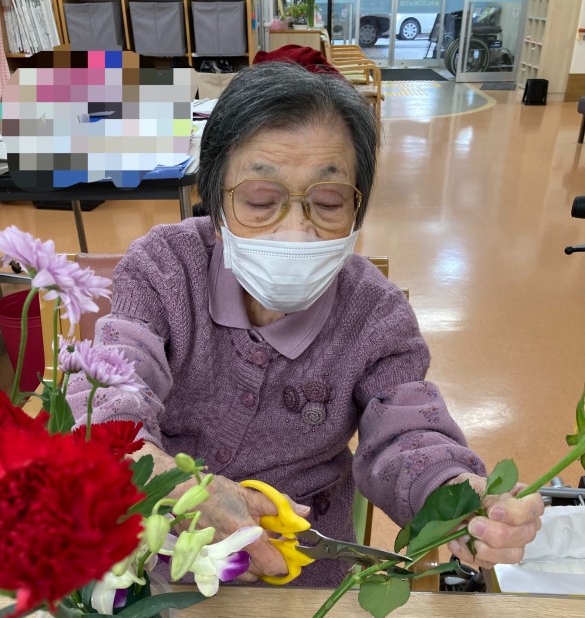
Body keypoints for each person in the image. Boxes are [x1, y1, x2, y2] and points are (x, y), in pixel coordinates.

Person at [66, 61, 543, 588]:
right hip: (155, 567)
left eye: (328, 202)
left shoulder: (375, 315)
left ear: (357, 212)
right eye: (260, 201)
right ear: (216, 205)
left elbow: (406, 432)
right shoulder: (164, 268)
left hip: (300, 581)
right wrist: (175, 486)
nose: (296, 230)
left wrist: (453, 496)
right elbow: (110, 385)